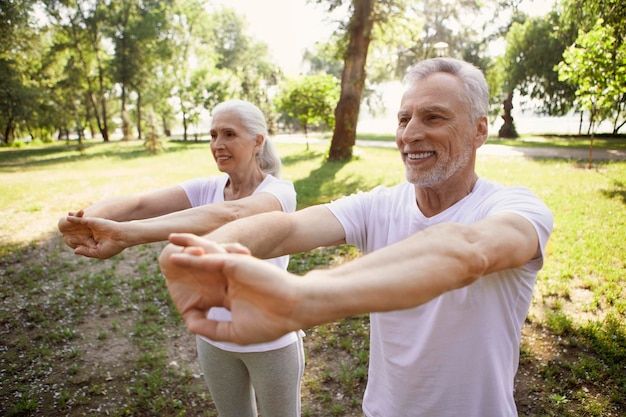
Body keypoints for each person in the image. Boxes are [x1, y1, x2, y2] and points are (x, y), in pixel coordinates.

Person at [157, 58, 554, 417]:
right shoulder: (378, 205)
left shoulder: (515, 208)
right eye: (403, 119)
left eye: (433, 118)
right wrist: (212, 253)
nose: (410, 133)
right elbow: (287, 228)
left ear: (479, 129)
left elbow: (467, 252)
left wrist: (303, 299)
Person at [58, 99, 305, 417]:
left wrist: (127, 235)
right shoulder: (208, 188)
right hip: (214, 338)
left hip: (270, 340)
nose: (217, 144)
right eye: (213, 134)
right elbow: (140, 204)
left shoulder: (279, 193)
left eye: (229, 134)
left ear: (258, 141)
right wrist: (83, 220)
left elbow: (230, 215)